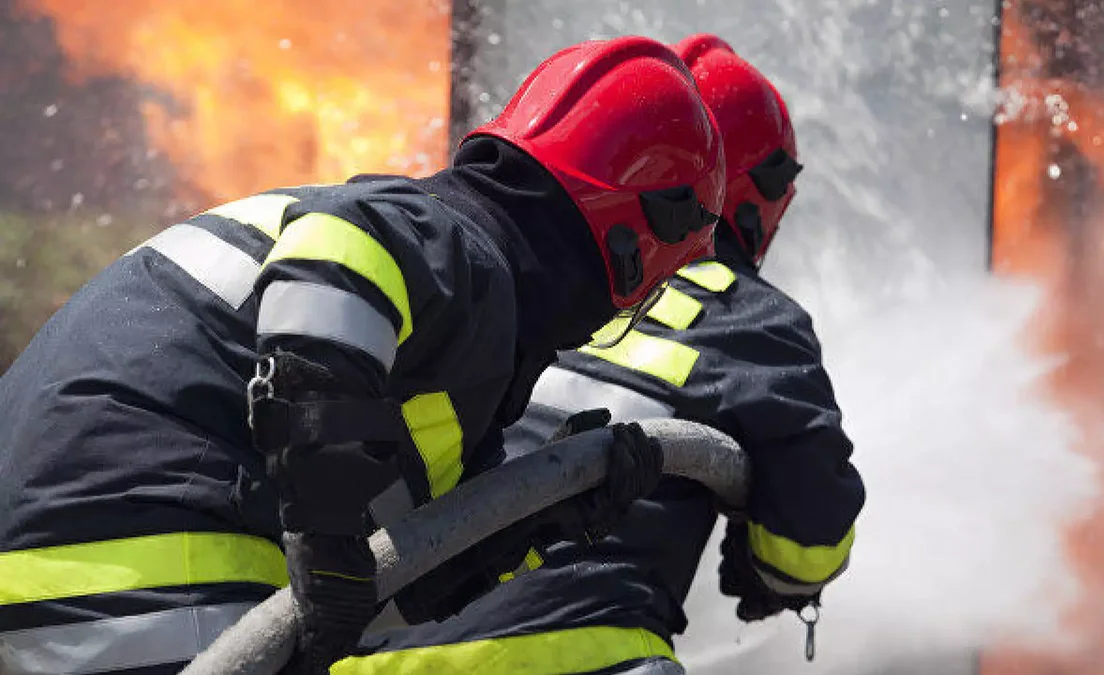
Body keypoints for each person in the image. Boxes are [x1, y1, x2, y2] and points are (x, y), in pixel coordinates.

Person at [0, 36, 727, 675]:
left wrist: (543, 519)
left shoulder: (429, 332)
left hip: (60, 577)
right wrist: (326, 532)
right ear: (637, 245)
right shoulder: (455, 246)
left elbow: (382, 586)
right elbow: (337, 255)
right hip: (140, 569)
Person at [335, 34, 865, 675]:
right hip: (577, 659)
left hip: (364, 655)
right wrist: (769, 564)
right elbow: (806, 547)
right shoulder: (749, 319)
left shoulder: (498, 281)